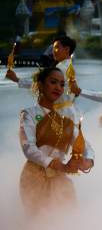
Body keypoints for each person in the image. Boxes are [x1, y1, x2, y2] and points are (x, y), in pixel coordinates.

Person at [19, 67, 94, 216]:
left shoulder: (64, 120)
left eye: (62, 84)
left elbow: (85, 145)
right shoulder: (29, 114)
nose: (58, 88)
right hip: (35, 177)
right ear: (40, 85)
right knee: (39, 224)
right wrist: (57, 164)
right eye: (53, 82)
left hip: (60, 178)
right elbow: (28, 148)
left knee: (66, 222)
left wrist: (87, 162)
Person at [6, 35, 81, 124]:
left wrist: (17, 79)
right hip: (68, 111)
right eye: (53, 48)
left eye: (57, 47)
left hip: (60, 114)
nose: (53, 51)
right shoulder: (68, 67)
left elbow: (42, 84)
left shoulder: (61, 69)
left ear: (67, 49)